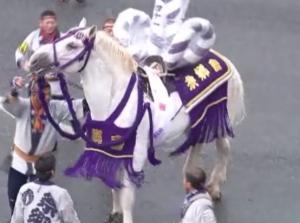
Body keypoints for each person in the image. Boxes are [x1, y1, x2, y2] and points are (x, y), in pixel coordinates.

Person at [0, 76, 84, 214]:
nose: (48, 97)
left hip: (41, 166)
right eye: (43, 94)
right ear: (33, 94)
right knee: (13, 197)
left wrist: (92, 98)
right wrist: (14, 91)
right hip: (18, 162)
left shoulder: (55, 108)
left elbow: (75, 106)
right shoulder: (23, 106)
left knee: (37, 202)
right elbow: (8, 103)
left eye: (49, 93)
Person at [11, 153, 81, 222]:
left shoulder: (24, 189)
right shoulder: (60, 194)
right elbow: (71, 219)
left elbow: (17, 219)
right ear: (52, 172)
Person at [15, 10, 62, 98]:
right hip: (36, 87)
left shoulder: (63, 39)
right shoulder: (33, 37)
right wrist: (23, 63)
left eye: (53, 23)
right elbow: (20, 51)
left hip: (58, 89)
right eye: (47, 23)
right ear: (41, 23)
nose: (50, 25)